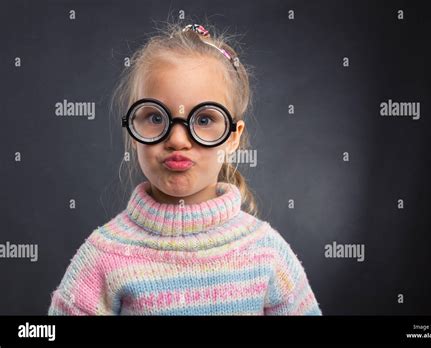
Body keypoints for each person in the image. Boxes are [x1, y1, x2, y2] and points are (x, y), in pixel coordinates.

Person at [48, 23, 322, 315]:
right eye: (155, 117)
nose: (177, 139)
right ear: (132, 130)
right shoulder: (105, 255)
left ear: (232, 137)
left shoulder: (265, 251)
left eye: (204, 120)